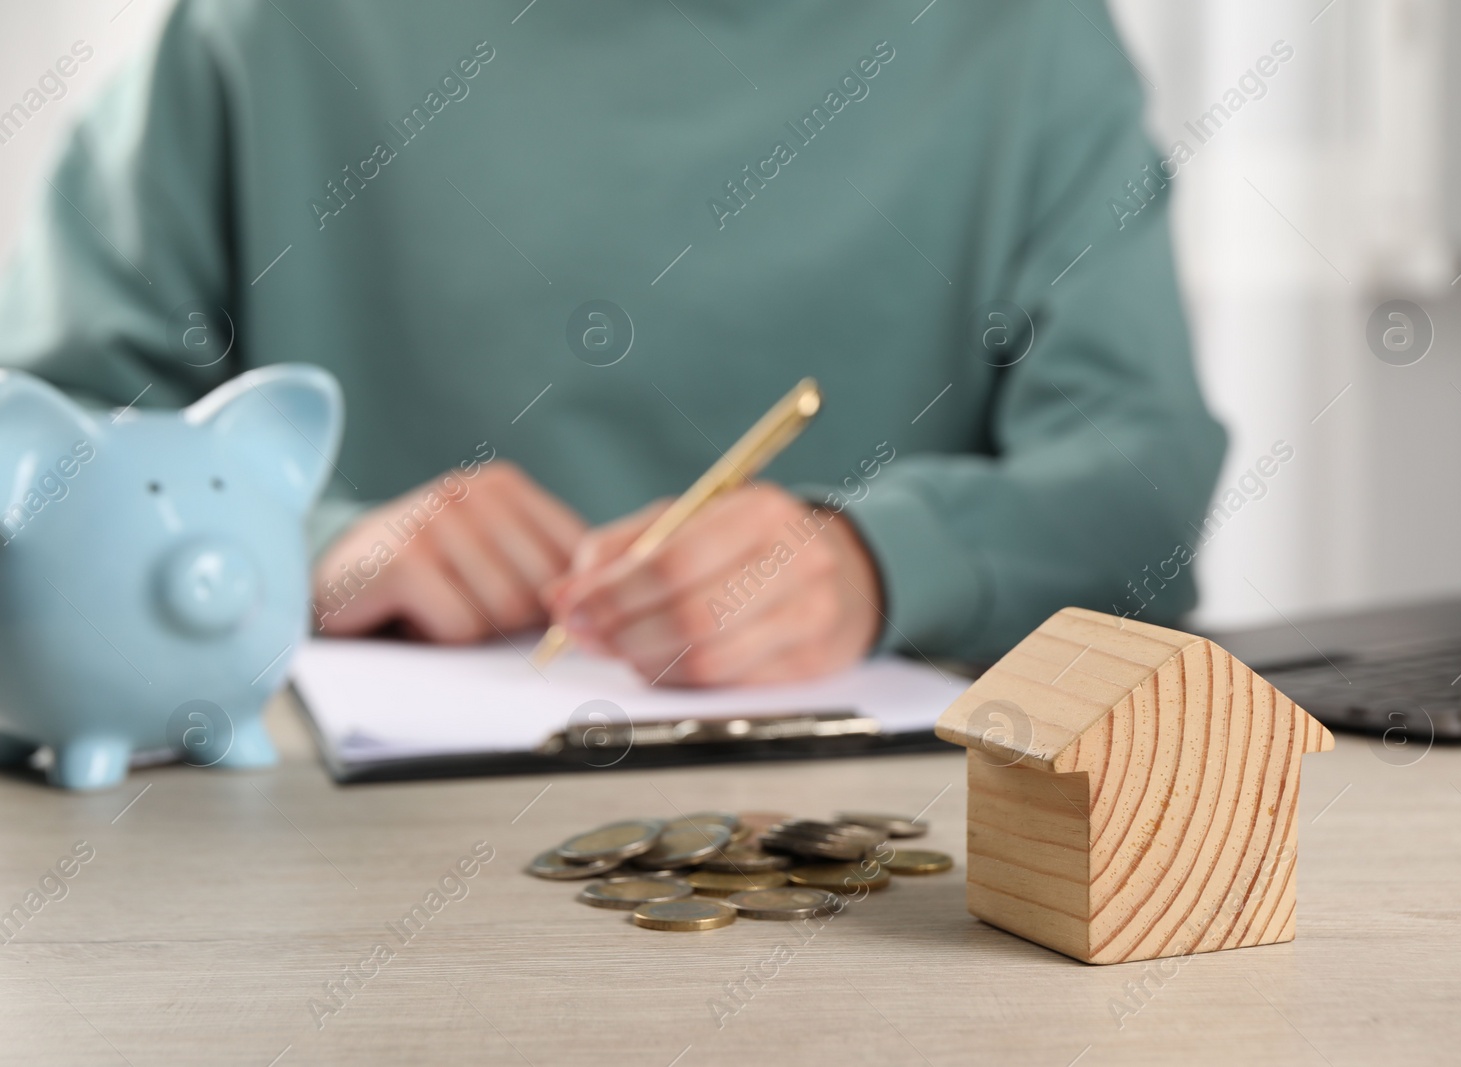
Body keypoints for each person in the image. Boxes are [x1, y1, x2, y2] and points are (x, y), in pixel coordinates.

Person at [0, 0, 1225, 686]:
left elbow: (1138, 480)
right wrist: (302, 541)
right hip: (312, 880)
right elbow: (36, 444)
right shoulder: (256, 31)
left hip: (910, 880)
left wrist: (883, 560)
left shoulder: (1023, 40)